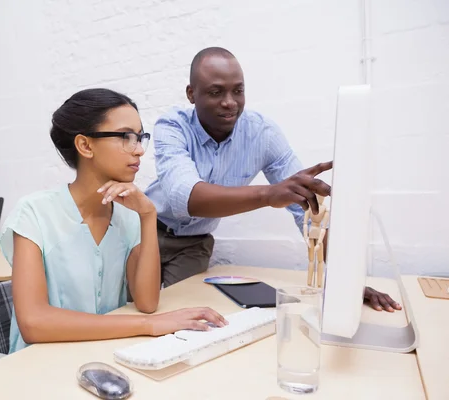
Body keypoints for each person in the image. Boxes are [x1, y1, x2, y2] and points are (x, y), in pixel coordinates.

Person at [144, 47, 401, 313]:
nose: (230, 102)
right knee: (129, 310)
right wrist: (269, 195)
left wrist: (347, 282)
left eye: (238, 90)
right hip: (145, 231)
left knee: (181, 313)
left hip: (193, 244)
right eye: (215, 92)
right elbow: (185, 198)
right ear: (191, 94)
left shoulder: (262, 134)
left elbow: (310, 212)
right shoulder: (172, 126)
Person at [0, 88, 228, 353]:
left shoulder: (128, 215)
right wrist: (148, 325)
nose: (139, 150)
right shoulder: (34, 213)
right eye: (126, 137)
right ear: (85, 145)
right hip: (37, 363)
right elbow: (33, 323)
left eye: (140, 137)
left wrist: (148, 215)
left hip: (105, 352)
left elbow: (147, 301)